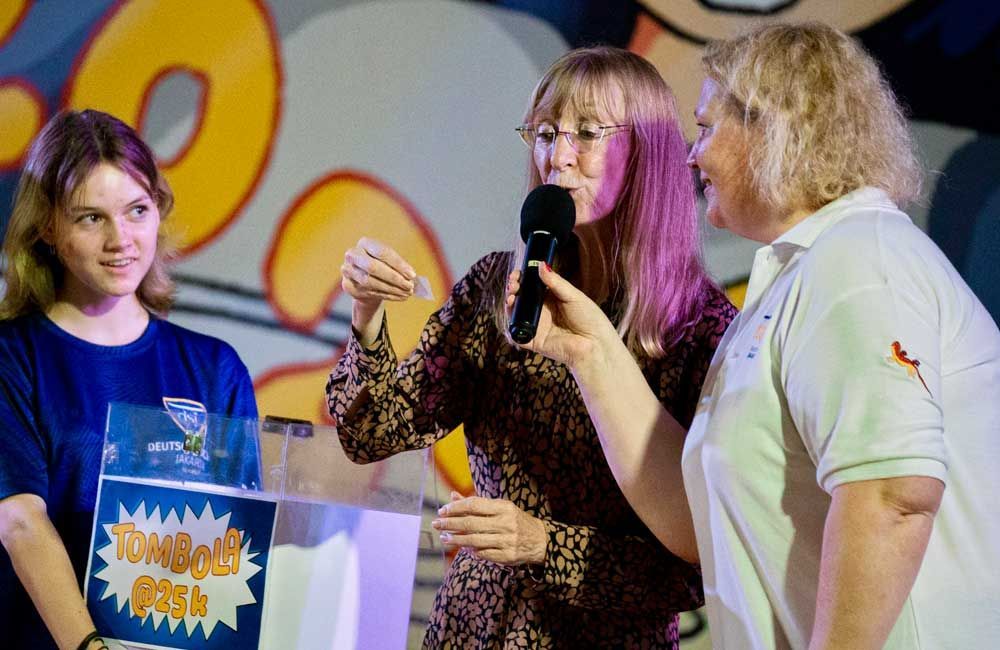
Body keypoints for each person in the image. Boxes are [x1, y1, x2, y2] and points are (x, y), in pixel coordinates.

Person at [511, 22, 1000, 650]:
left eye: (709, 126)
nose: (692, 153)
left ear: (774, 128)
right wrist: (588, 348)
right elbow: (699, 523)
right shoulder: (794, 277)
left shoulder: (859, 259)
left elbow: (891, 495)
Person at [326, 46, 736, 648]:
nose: (557, 156)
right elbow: (370, 434)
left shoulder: (699, 327)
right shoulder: (500, 286)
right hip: (471, 629)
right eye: (545, 133)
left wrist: (542, 543)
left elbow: (696, 569)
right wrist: (365, 314)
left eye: (587, 133)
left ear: (646, 152)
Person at [0, 109, 259, 650]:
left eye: (137, 211)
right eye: (91, 218)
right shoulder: (13, 357)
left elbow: (243, 540)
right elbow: (20, 520)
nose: (122, 239)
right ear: (48, 228)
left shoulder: (215, 368)